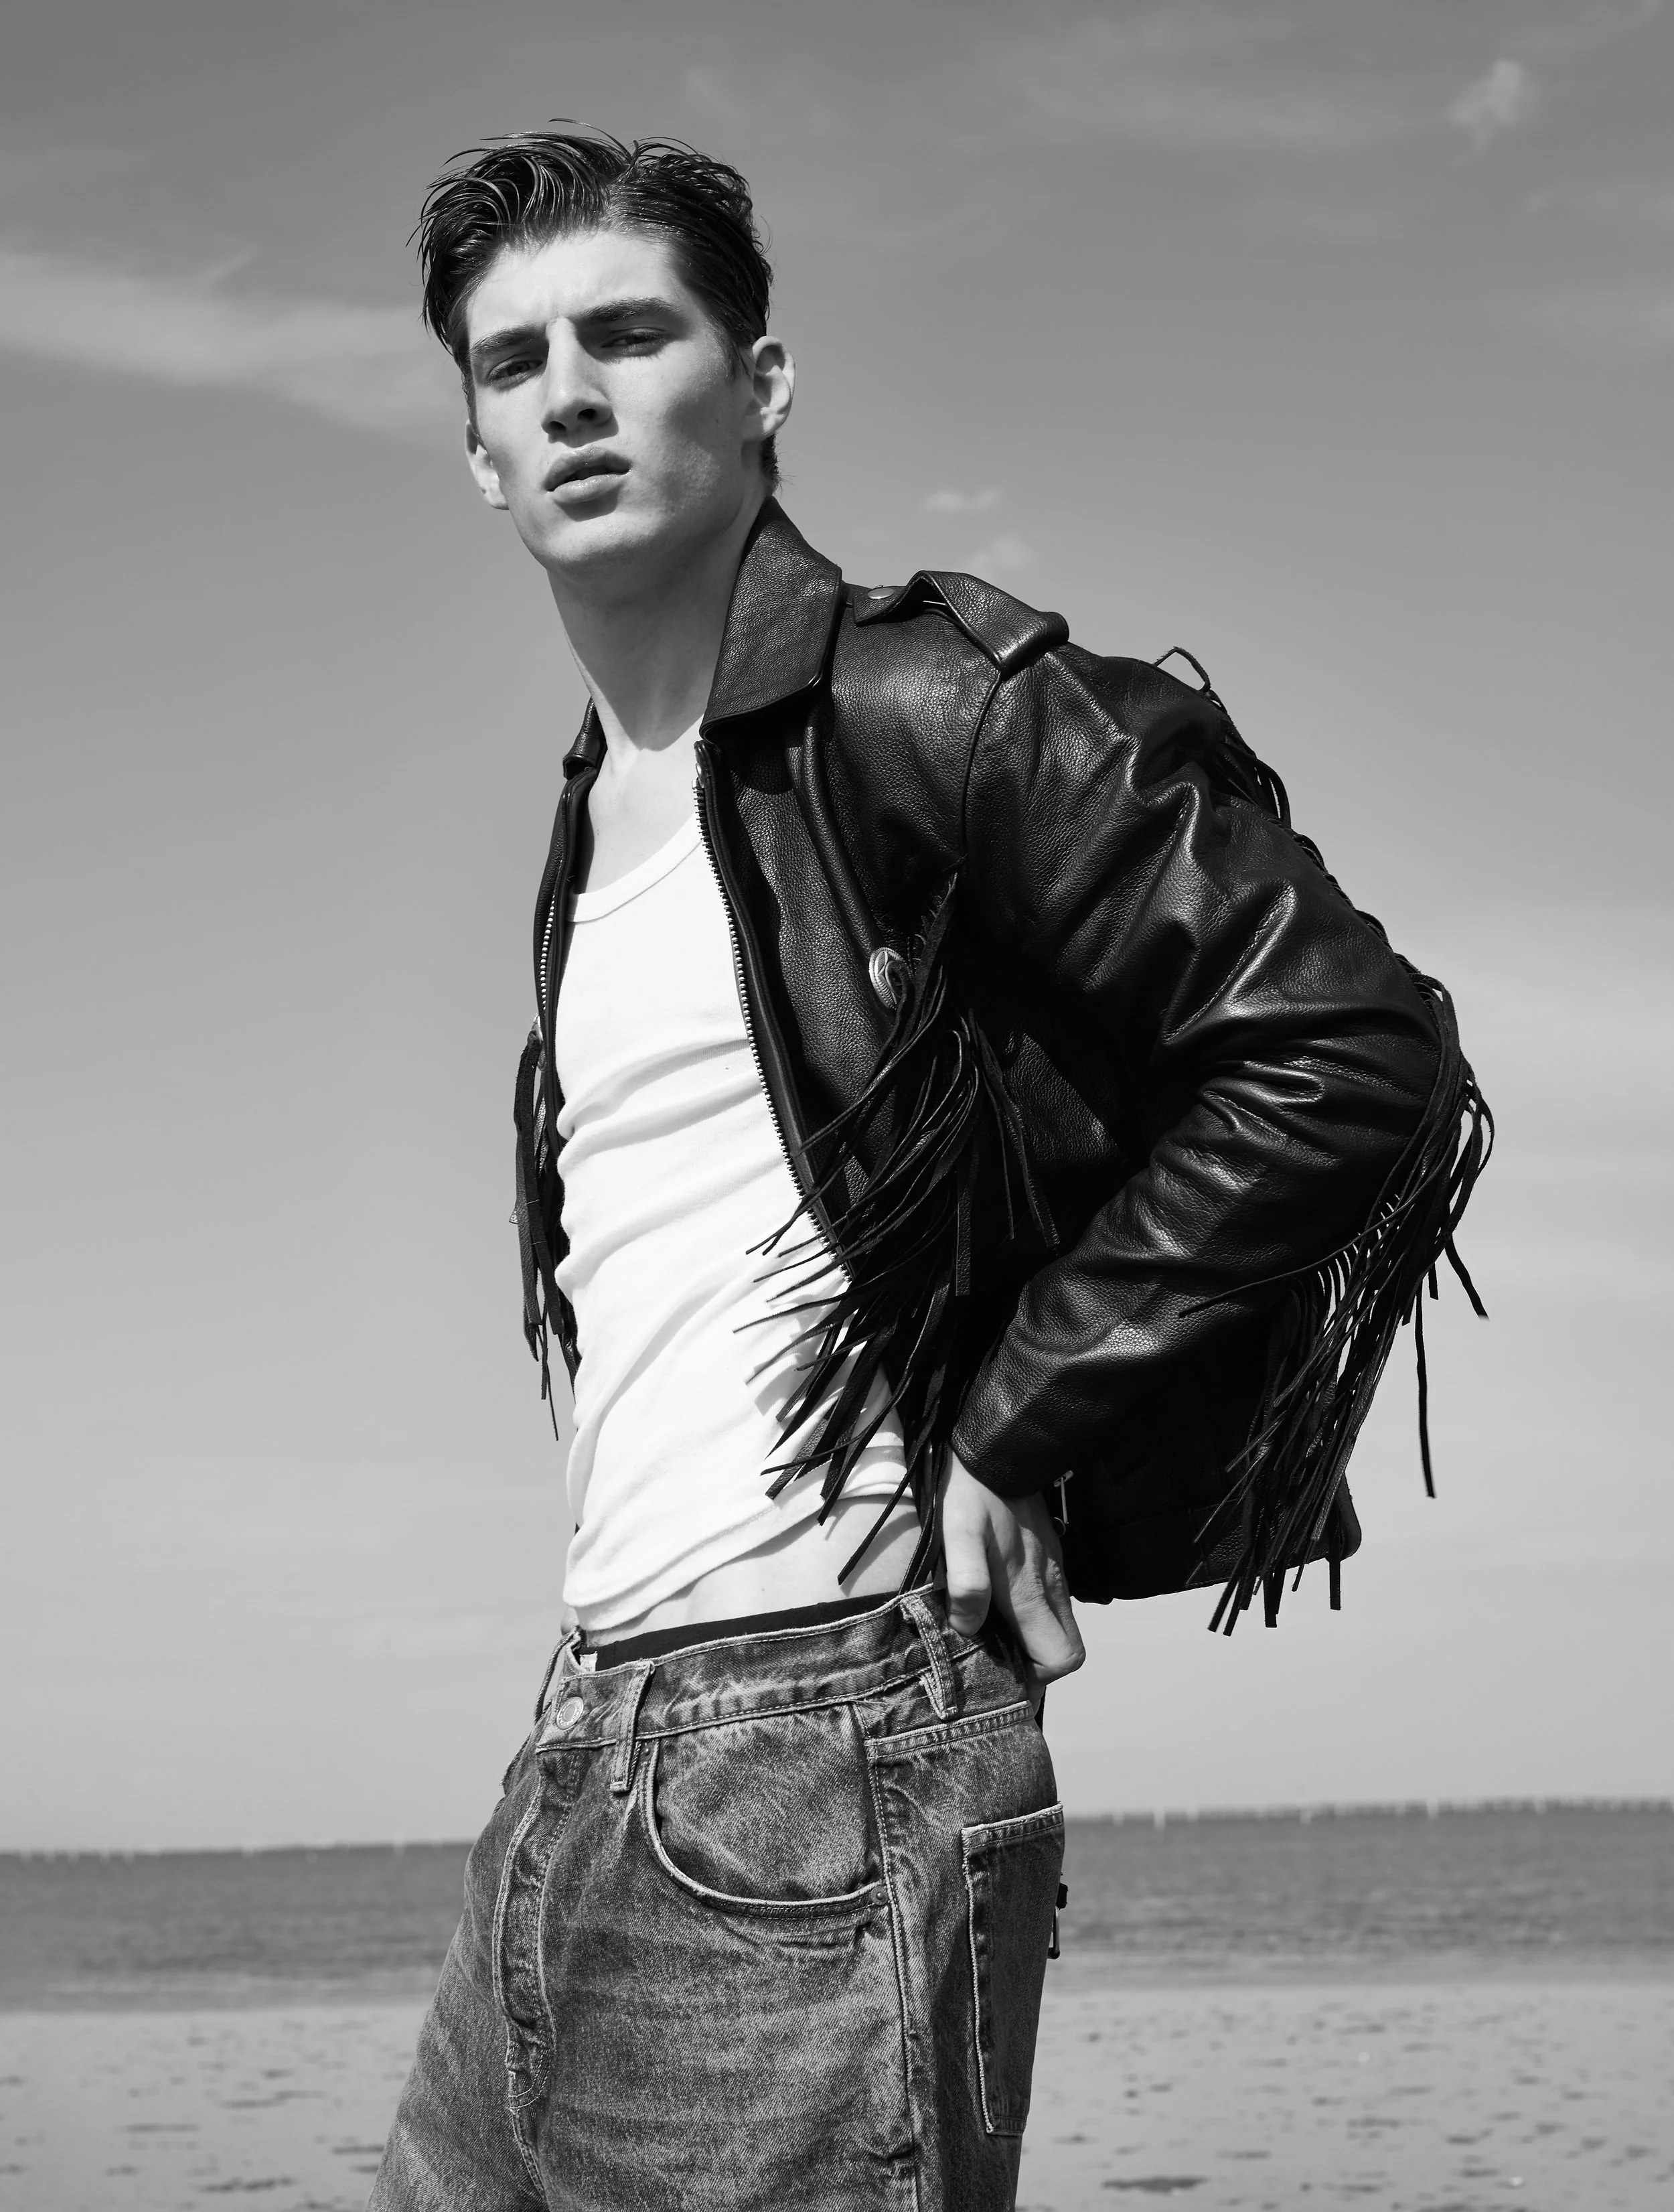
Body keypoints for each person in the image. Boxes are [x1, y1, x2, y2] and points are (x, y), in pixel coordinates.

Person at [371, 127, 1485, 2212]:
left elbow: (1346, 1047)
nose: (572, 394)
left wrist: (1021, 1409)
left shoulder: (922, 705)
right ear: (476, 454)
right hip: (590, 1737)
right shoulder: (598, 817)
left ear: (760, 384)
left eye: (630, 334)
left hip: (821, 1733)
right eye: (515, 363)